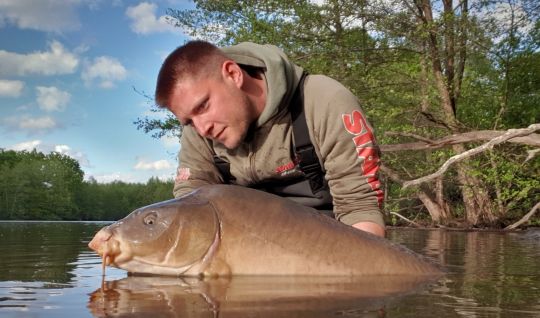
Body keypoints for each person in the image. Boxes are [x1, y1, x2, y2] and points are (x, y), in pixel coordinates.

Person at [155, 41, 386, 237]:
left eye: (203, 105)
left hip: (329, 244)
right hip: (247, 247)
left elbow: (361, 210)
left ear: (233, 74)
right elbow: (191, 209)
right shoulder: (198, 131)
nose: (202, 128)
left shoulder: (325, 101)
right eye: (188, 121)